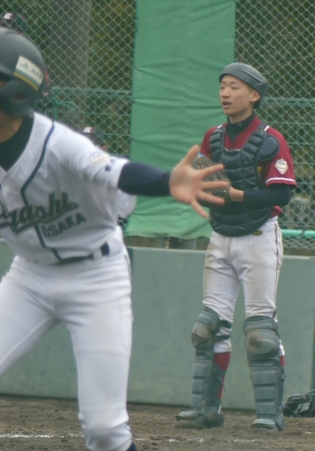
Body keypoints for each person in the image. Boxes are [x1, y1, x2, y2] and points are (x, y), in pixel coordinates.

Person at [0, 29, 230, 451]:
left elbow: (119, 171)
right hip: (28, 278)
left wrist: (166, 182)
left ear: (13, 90)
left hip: (96, 276)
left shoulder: (57, 144)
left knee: (105, 429)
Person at [175, 62, 296, 431]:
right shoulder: (213, 137)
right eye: (223, 86)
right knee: (208, 327)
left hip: (259, 236)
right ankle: (206, 409)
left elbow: (281, 194)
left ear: (254, 95)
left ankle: (270, 414)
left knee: (260, 333)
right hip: (221, 235)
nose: (225, 93)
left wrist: (236, 194)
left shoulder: (270, 138)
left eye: (235, 87)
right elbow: (204, 181)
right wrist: (198, 189)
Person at [81, 126, 137, 229]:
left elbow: (123, 211)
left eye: (91, 145)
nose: (85, 149)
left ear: (103, 149)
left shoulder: (114, 172)